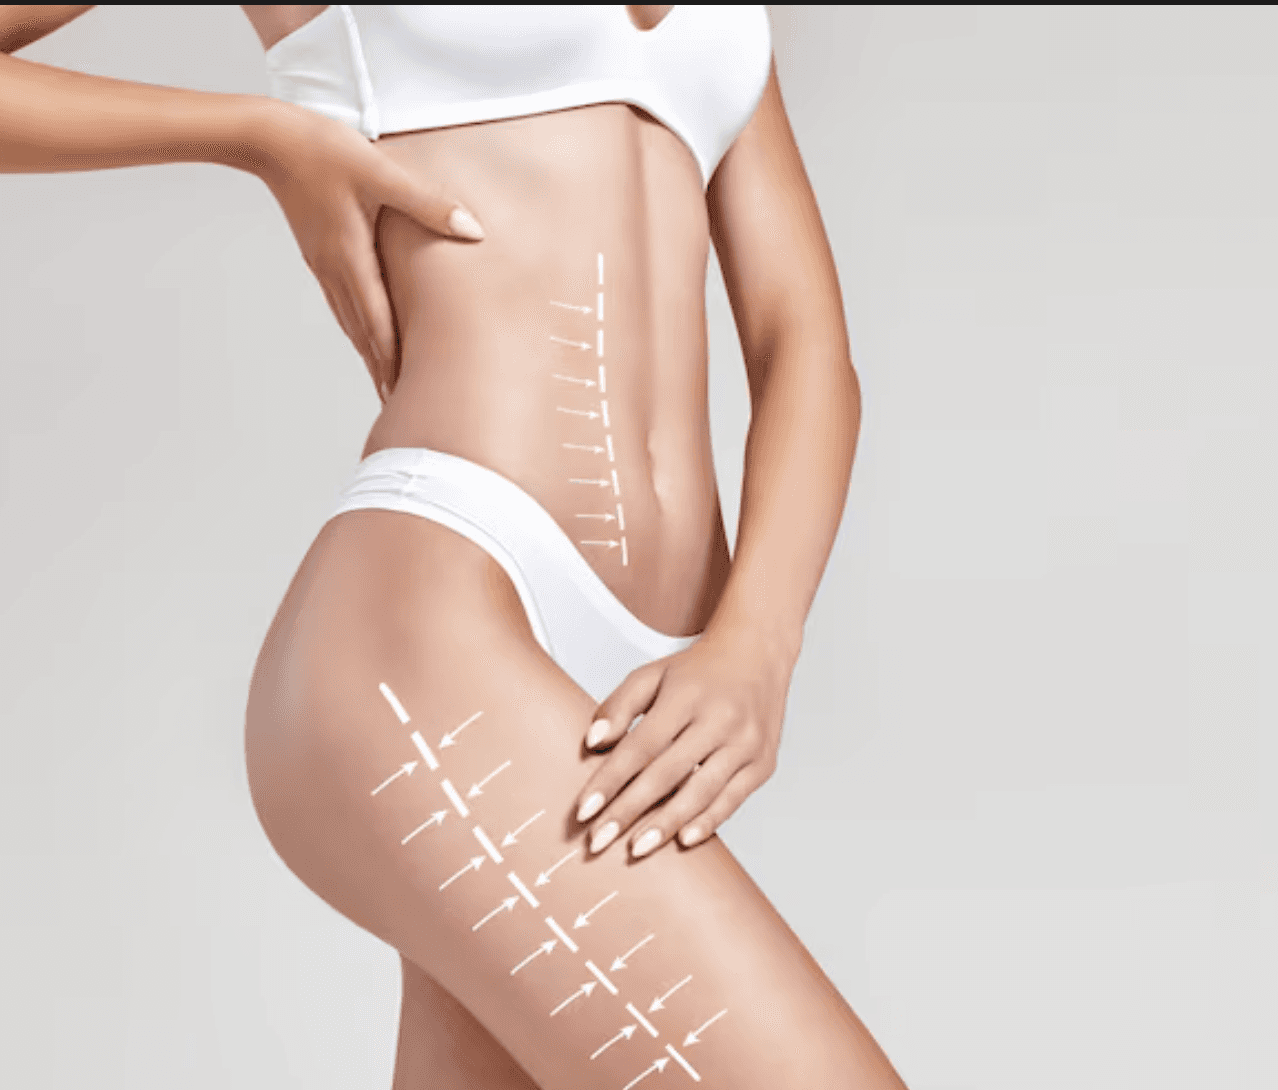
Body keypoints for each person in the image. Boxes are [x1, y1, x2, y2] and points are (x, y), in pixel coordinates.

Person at [1, 6, 907, 1088]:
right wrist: (258, 137)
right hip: (435, 620)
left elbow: (800, 335)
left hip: (631, 681)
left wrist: (760, 638)